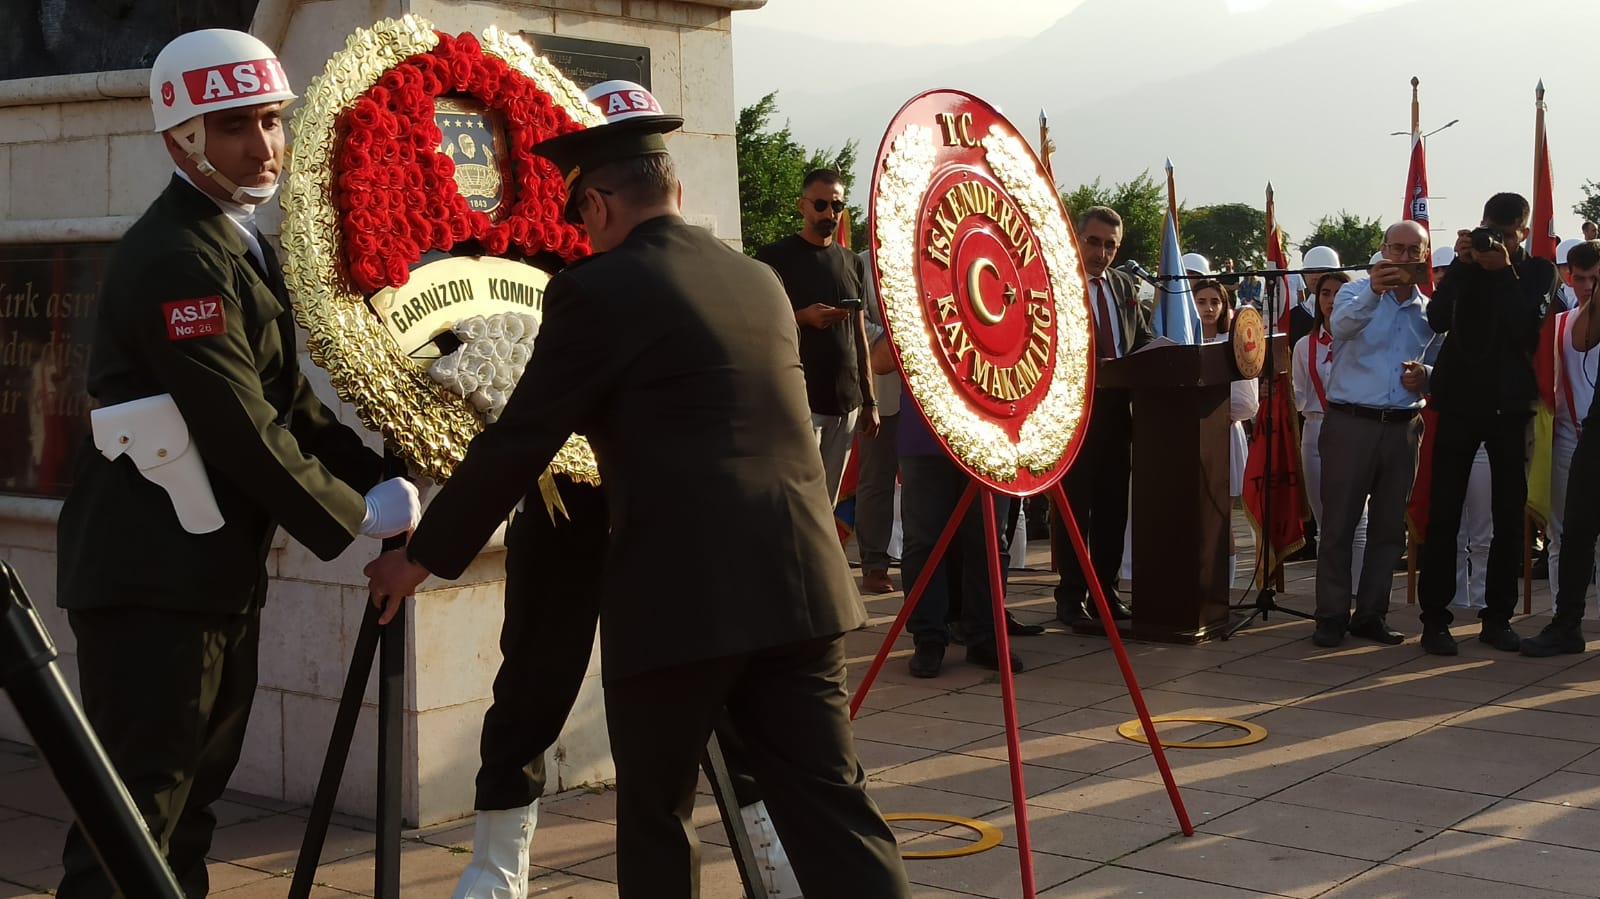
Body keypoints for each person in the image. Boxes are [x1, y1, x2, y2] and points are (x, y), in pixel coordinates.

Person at [363, 80, 911, 899]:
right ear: (676, 191)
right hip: (801, 588)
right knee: (837, 808)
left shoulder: (595, 291)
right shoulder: (759, 280)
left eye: (583, 218)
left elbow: (520, 441)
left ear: (597, 205)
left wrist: (420, 559)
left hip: (679, 603)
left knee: (658, 818)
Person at [52, 29, 421, 898]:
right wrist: (356, 512)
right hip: (152, 581)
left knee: (189, 808)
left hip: (203, 573)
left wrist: (370, 473)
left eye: (271, 120)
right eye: (234, 126)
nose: (264, 146)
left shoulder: (236, 240)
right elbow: (239, 424)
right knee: (136, 814)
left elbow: (289, 401)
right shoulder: (180, 254)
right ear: (183, 139)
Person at [1416, 193, 1560, 656]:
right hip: (1458, 403)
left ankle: (1497, 618)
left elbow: (1526, 330)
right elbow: (1436, 319)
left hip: (1509, 407)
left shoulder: (1538, 272)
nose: (1494, 240)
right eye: (1487, 230)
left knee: (1508, 517)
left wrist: (1504, 272)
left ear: (1523, 233)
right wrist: (1461, 266)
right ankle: (1434, 618)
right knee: (1444, 514)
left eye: (1505, 234)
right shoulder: (1467, 266)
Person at [450, 477, 607, 899]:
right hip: (561, 503)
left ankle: (769, 857)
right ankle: (496, 875)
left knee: (702, 696)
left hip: (667, 496)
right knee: (529, 695)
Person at [1310, 221, 1434, 648]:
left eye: (1413, 250)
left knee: (1388, 528)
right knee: (1339, 523)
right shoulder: (1353, 292)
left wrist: (1426, 374)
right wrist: (1374, 292)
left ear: (1425, 254)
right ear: (1382, 250)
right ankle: (1330, 614)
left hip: (1403, 426)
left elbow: (1442, 360)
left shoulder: (1428, 310)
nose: (1403, 258)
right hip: (1352, 421)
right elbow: (1341, 327)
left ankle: (1371, 613)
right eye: (1396, 248)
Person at [867, 336, 1023, 678]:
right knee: (924, 541)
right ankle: (928, 638)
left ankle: (985, 635)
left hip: (990, 434)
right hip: (927, 435)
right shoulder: (915, 305)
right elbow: (880, 361)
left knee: (988, 540)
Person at [1053, 206, 1153, 627]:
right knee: (1075, 509)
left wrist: (1166, 351)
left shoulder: (1123, 284)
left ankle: (1104, 593)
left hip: (1117, 415)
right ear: (1075, 238)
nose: (1102, 253)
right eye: (1093, 242)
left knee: (1113, 508)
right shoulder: (1055, 283)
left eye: (1111, 245)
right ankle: (1071, 595)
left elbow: (1139, 337)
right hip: (1073, 416)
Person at [754, 170, 879, 505]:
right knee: (796, 502)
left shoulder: (852, 262)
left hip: (846, 404)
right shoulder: (774, 258)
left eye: (837, 206)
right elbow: (757, 325)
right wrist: (803, 318)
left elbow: (860, 335)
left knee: (827, 505)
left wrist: (869, 400)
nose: (830, 214)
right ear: (802, 206)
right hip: (799, 404)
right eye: (821, 205)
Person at [1523, 239, 1600, 656]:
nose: (1588, 286)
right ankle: (1565, 621)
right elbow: (1581, 342)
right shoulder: (1566, 323)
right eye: (1582, 278)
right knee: (1570, 534)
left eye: (1595, 278)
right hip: (1580, 436)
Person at [1292, 272, 1367, 601]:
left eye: (1339, 292)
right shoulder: (1303, 345)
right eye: (1325, 293)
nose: (1332, 300)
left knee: (1358, 518)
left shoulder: (1363, 340)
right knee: (1325, 521)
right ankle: (1331, 596)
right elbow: (1298, 397)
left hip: (1355, 428)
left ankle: (1358, 593)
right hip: (1316, 428)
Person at [1195, 279, 1260, 587]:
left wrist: (1208, 408)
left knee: (1220, 517)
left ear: (1224, 306)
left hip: (1222, 435)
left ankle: (1226, 588)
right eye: (1201, 301)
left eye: (1214, 302)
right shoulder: (1184, 337)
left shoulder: (1233, 342)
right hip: (1185, 437)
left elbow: (1248, 403)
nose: (1208, 308)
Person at [854, 250, 901, 594]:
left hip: (931, 395)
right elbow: (856, 323)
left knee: (928, 482)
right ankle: (874, 565)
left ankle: (926, 563)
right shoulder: (861, 264)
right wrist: (900, 337)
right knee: (876, 480)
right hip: (881, 392)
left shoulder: (931, 254)